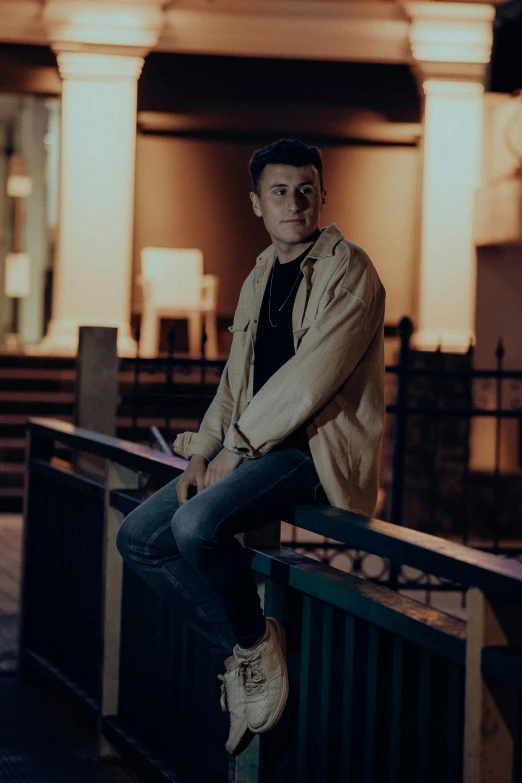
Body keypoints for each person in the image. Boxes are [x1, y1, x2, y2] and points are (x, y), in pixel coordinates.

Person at [116, 138, 386, 756]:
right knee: (137, 538)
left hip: (312, 454)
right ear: (256, 204)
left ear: (322, 196)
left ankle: (252, 648)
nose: (294, 202)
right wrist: (203, 452)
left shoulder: (351, 270)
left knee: (194, 528)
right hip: (255, 451)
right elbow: (236, 380)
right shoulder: (262, 271)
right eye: (279, 192)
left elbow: (310, 377)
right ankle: (250, 647)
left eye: (306, 190)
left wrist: (236, 447)